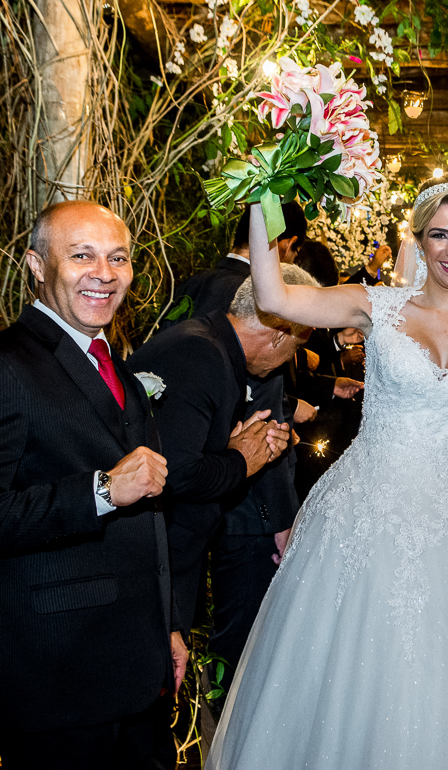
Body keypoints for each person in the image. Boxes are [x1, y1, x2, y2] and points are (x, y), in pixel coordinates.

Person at [204, 175, 448, 769]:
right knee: (358, 665)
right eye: (440, 235)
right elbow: (275, 298)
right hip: (366, 506)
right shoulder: (374, 305)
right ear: (419, 241)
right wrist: (263, 197)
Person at [0, 201, 186, 769]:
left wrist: (164, 625)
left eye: (117, 258)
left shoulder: (114, 366)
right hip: (58, 680)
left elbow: (145, 519)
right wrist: (98, 491)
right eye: (82, 256)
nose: (104, 272)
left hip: (136, 671)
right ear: (36, 265)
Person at [128, 274, 308, 675]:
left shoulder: (211, 347)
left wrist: (239, 451)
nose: (293, 357)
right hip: (151, 564)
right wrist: (243, 460)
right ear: (281, 335)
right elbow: (173, 475)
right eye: (301, 345)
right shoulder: (199, 354)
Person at [158, 202, 307, 328]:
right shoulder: (259, 299)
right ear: (288, 244)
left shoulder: (189, 284)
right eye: (296, 254)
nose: (293, 261)